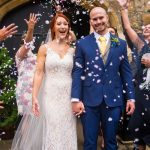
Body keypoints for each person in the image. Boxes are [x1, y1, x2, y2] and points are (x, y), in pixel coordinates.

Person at [71, 7, 135, 150]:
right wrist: (75, 99)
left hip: (113, 99)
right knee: (89, 142)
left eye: (101, 18)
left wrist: (131, 98)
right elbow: (77, 72)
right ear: (90, 21)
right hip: (89, 101)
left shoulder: (120, 43)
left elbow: (126, 73)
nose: (98, 21)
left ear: (107, 18)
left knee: (111, 142)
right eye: (95, 19)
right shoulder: (82, 43)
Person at [32, 13, 77, 150]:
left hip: (68, 95)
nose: (62, 26)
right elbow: (39, 73)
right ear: (53, 28)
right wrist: (34, 96)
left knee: (68, 127)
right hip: (50, 94)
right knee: (53, 127)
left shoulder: (73, 50)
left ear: (68, 28)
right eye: (59, 24)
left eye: (65, 24)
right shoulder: (44, 48)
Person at [117, 0, 150, 149]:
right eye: (146, 26)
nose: (147, 27)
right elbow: (128, 27)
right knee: (140, 131)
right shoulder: (141, 45)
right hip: (141, 93)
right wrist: (124, 10)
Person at [11, 13, 37, 149]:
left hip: (36, 89)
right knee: (28, 119)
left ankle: (31, 145)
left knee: (33, 120)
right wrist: (30, 29)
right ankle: (26, 146)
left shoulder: (35, 55)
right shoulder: (20, 53)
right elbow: (27, 45)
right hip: (26, 91)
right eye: (26, 41)